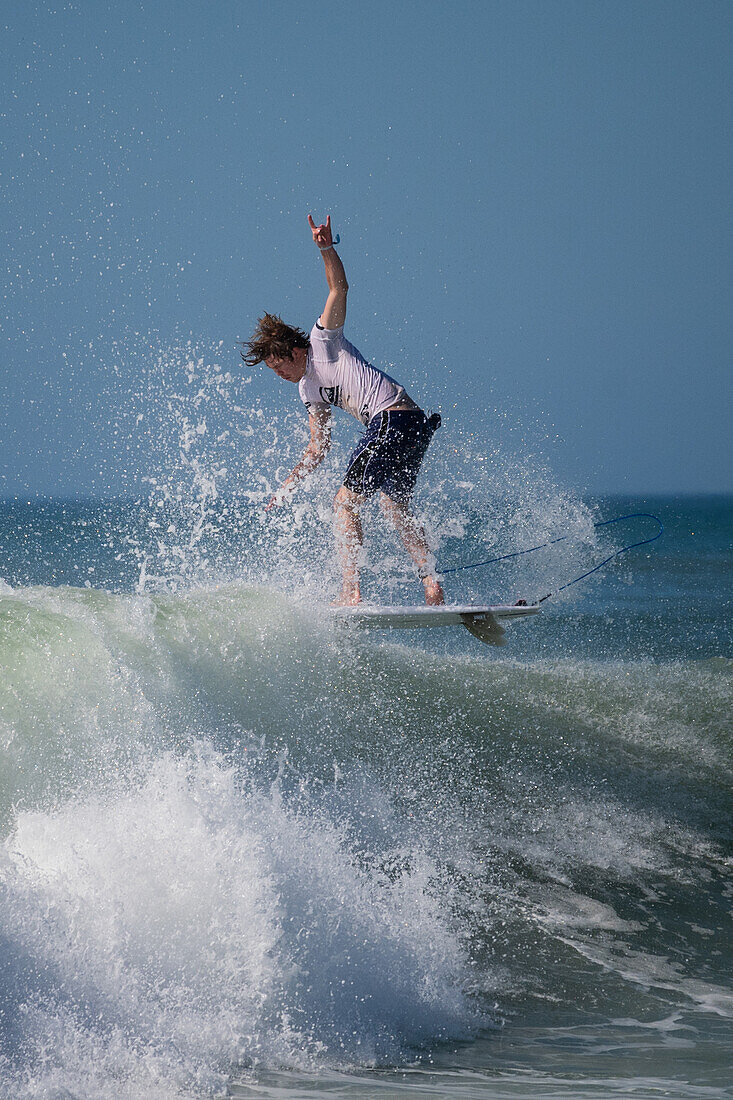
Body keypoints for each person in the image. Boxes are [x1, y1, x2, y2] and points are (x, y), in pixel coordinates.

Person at [242, 214, 445, 607]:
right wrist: (289, 483)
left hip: (391, 418)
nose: (280, 375)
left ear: (295, 350)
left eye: (279, 365)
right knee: (393, 503)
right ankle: (431, 583)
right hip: (411, 424)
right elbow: (319, 447)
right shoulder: (308, 389)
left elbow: (340, 286)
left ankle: (350, 591)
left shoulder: (323, 341)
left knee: (344, 502)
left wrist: (325, 248)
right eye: (273, 371)